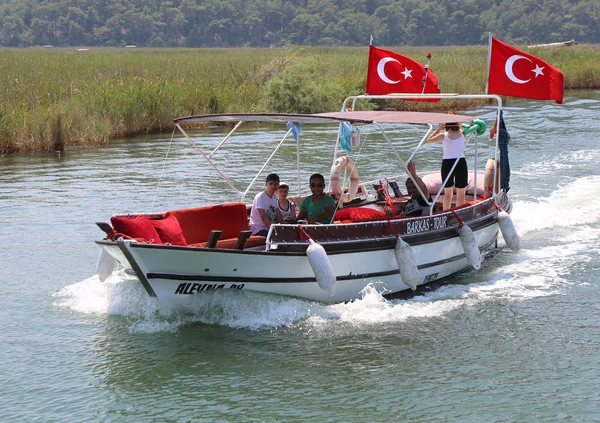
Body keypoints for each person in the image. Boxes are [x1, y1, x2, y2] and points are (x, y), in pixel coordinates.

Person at [428, 118, 468, 210]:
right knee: (461, 194)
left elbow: (429, 140)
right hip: (460, 162)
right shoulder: (462, 133)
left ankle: (446, 213)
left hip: (447, 163)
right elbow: (465, 139)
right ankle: (459, 214)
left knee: (448, 193)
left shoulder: (443, 135)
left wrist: (438, 129)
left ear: (446, 124)